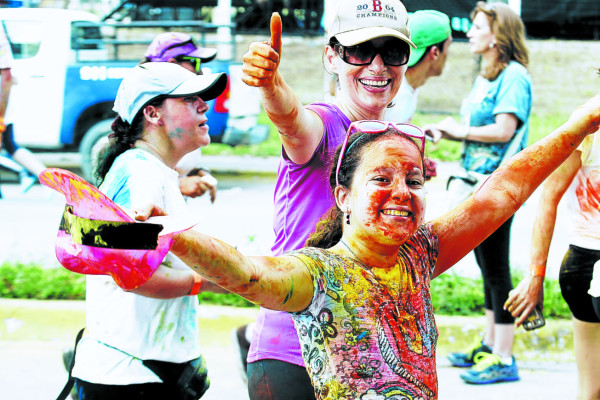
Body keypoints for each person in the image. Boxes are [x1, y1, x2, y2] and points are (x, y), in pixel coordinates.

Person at [137, 96, 600, 400]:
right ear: (344, 197)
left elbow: (503, 192)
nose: (401, 191)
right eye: (381, 179)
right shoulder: (318, 274)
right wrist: (174, 233)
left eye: (413, 180)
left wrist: (580, 123)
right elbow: (246, 272)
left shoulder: (420, 253)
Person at [238, 1, 416, 398]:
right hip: (294, 356)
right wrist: (271, 85)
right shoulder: (324, 123)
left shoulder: (395, 139)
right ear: (331, 57)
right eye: (359, 51)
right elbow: (292, 122)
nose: (377, 66)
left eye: (392, 51)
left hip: (365, 356)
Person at [70, 62, 228, 399]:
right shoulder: (140, 173)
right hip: (127, 378)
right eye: (189, 99)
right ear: (153, 114)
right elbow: (133, 277)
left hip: (142, 371)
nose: (203, 105)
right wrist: (216, 280)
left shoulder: (151, 169)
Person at [424, 2, 532, 384]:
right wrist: (445, 132)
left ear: (498, 34)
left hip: (501, 187)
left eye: (478, 27)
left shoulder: (515, 76)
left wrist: (457, 131)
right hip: (480, 185)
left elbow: (504, 131)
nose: (469, 33)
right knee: (486, 265)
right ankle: (490, 345)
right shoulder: (487, 74)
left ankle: (504, 355)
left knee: (497, 266)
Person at [505, 69, 600, 400]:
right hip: (586, 265)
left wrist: (536, 279)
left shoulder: (587, 117)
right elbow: (548, 198)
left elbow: (548, 199)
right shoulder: (588, 123)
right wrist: (534, 276)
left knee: (591, 391)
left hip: (582, 268)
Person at [142, 31, 220, 202]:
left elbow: (177, 163)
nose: (203, 106)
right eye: (195, 62)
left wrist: (198, 172)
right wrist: (178, 185)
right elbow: (139, 184)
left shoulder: (171, 106)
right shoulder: (155, 109)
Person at [0, 23, 46, 196]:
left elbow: (7, 74)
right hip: (3, 99)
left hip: (2, 101)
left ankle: (25, 173)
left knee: (9, 143)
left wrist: (1, 114)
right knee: (10, 144)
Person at [384, 10, 452, 123]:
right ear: (435, 53)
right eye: (448, 46)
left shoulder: (410, 84)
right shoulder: (394, 94)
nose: (448, 53)